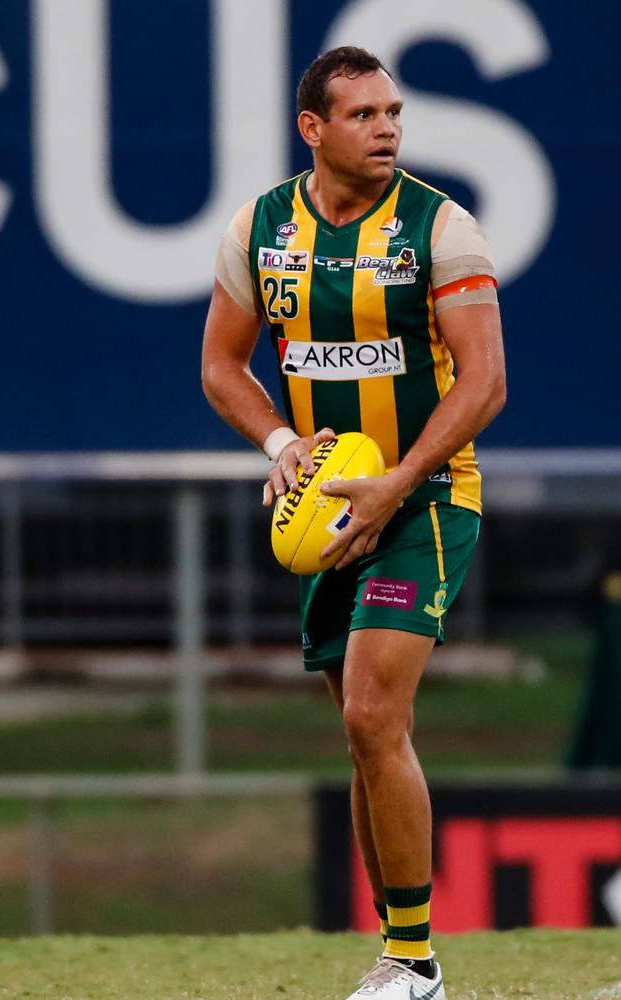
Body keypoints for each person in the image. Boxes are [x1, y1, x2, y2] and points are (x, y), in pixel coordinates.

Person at [202, 45, 505, 1000]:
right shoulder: (259, 229)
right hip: (332, 511)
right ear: (314, 129)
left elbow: (487, 381)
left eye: (394, 111)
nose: (387, 128)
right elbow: (221, 367)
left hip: (425, 498)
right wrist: (280, 447)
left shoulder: (440, 230)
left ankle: (414, 963)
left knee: (375, 715)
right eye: (365, 114)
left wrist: (396, 482)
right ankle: (399, 952)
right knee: (366, 736)